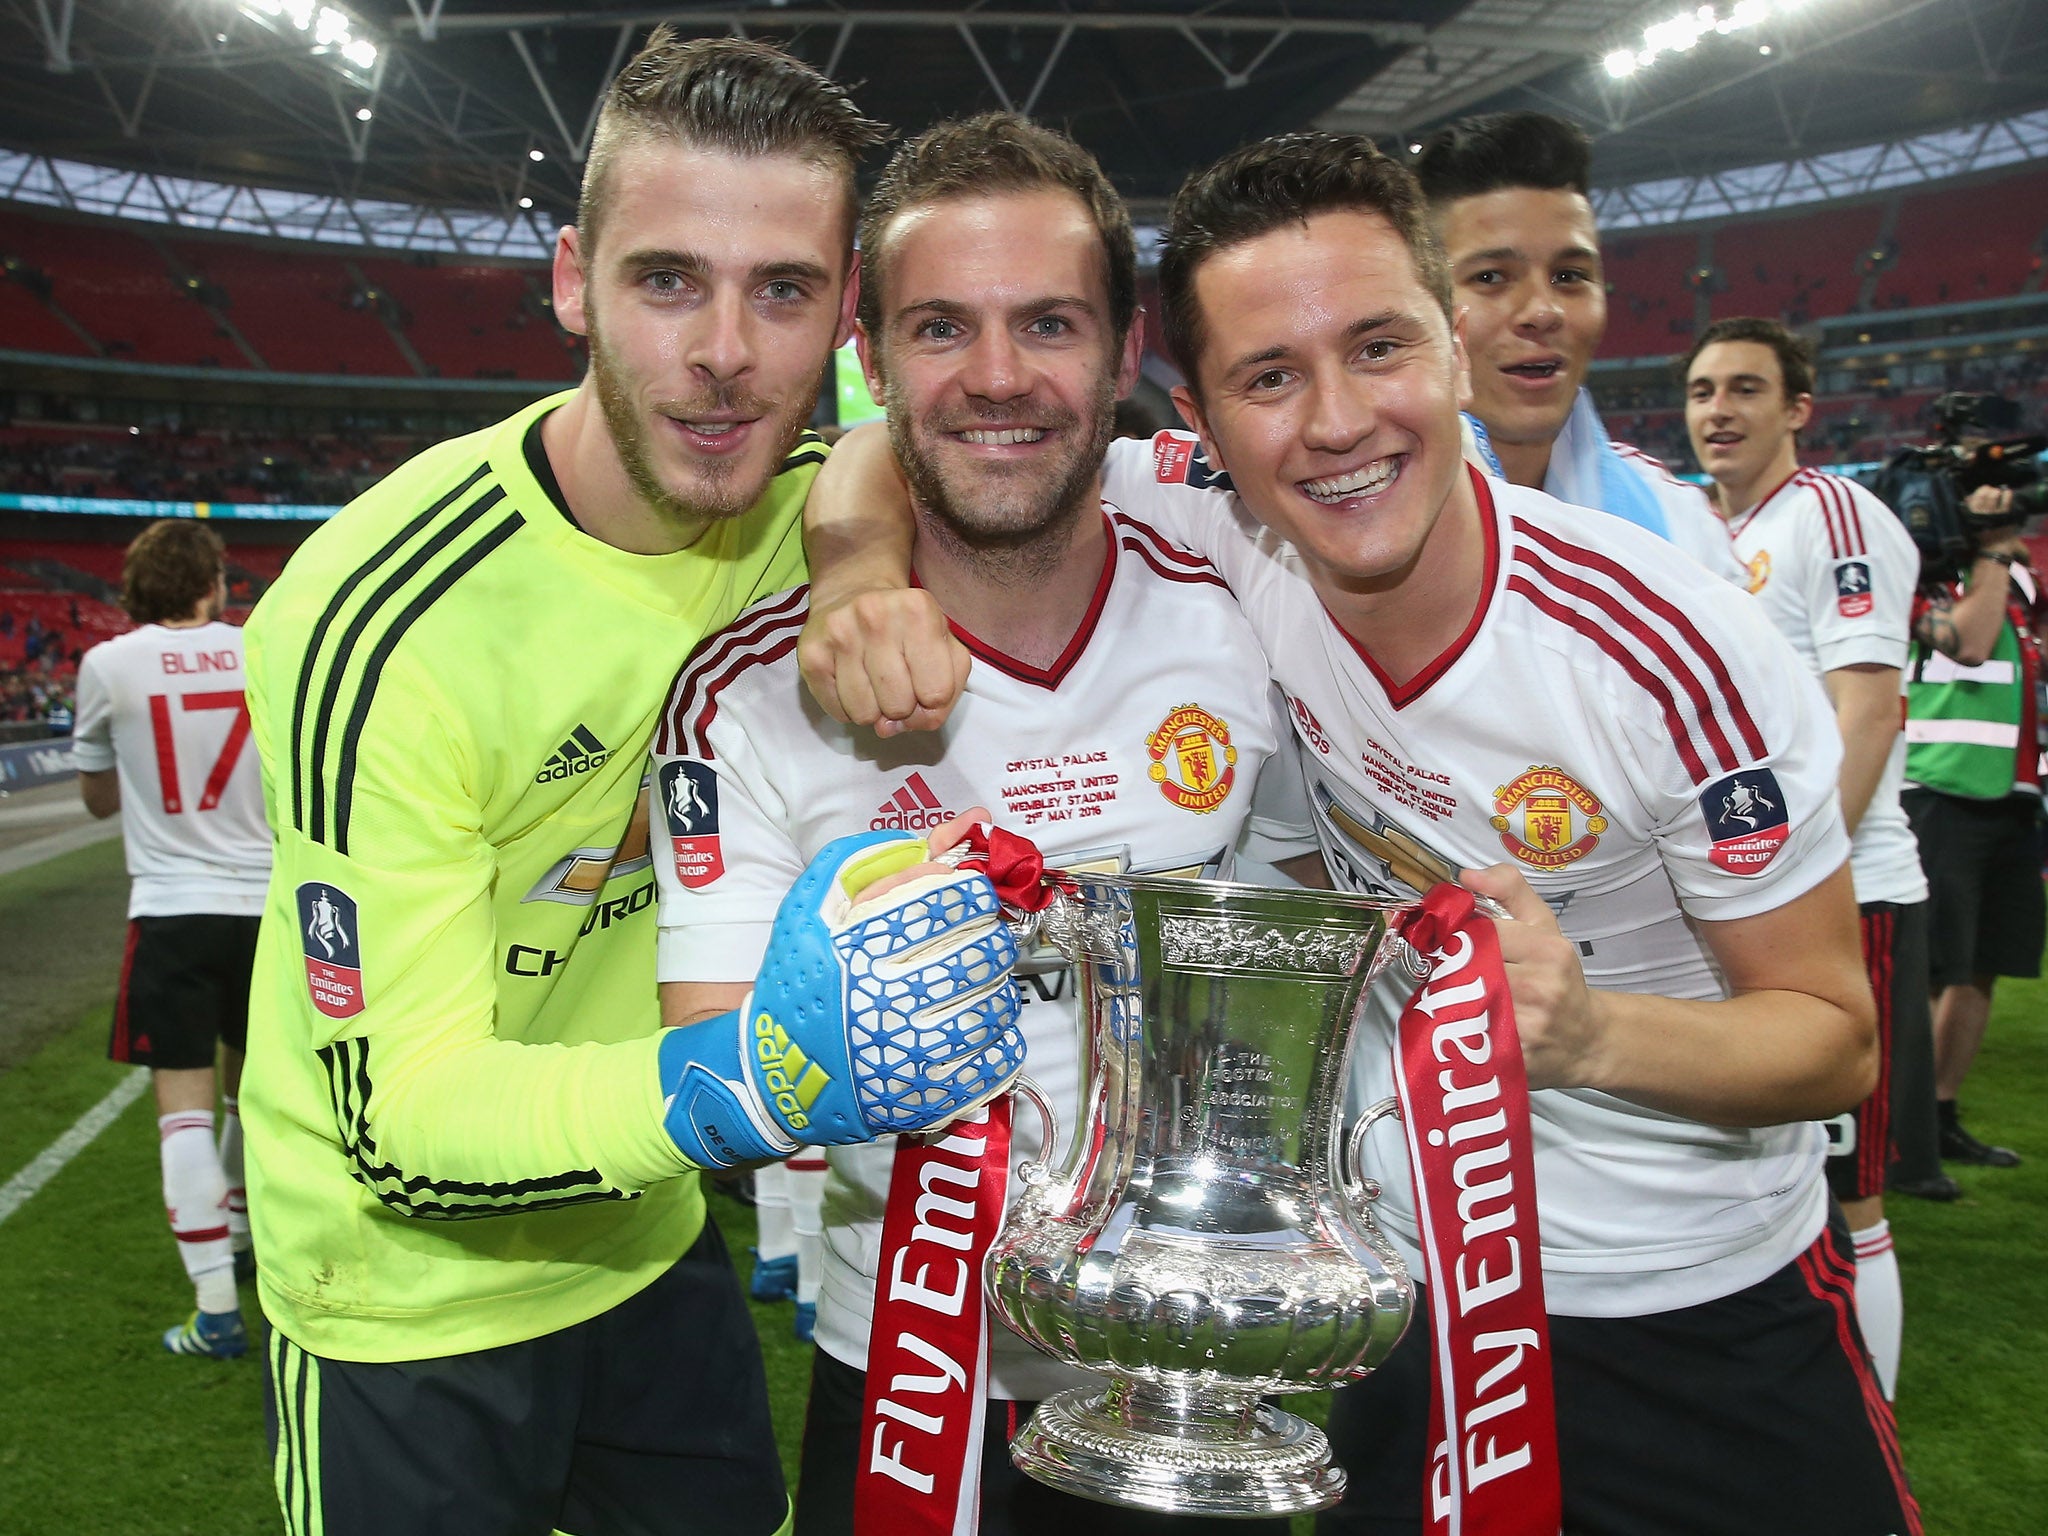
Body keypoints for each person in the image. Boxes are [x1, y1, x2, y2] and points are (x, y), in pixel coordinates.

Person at [798, 133, 1918, 1536]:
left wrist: (1590, 1038)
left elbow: (1833, 1033)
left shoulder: (1662, 644)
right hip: (1398, 1296)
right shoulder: (1230, 542)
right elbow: (931, 432)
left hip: (1686, 1303)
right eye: (1270, 376)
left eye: (1379, 347)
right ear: (1197, 417)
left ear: (1451, 348)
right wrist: (852, 569)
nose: (1334, 424)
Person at [238, 34, 1026, 1536]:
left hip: (647, 1232)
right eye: (668, 280)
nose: (725, 350)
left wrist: (859, 552)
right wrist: (746, 1083)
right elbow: (399, 1122)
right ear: (569, 281)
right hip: (402, 1301)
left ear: (845, 320)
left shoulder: (816, 509)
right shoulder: (383, 621)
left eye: (781, 290)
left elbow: (962, 460)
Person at [653, 113, 1306, 1536]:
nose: (999, 378)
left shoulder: (1246, 584)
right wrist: (832, 1018)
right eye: (941, 328)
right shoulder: (747, 692)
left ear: (1127, 351)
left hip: (1198, 1372)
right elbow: (707, 1076)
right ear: (871, 362)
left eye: (1050, 324)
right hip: (906, 1378)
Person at [1684, 315, 1935, 1399]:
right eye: (1699, 391)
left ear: (1797, 409)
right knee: (1763, 1183)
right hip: (1748, 901)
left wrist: (1805, 886)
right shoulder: (1698, 529)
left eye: (1744, 389)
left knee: (1847, 1190)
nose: (1717, 412)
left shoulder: (1831, 516)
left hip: (1844, 898)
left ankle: (1863, 1428)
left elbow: (1867, 711)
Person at [72, 519, 268, 1359]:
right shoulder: (265, 648)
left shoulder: (105, 665)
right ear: (214, 582)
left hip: (172, 908)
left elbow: (97, 800)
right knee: (253, 1097)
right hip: (271, 905)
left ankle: (217, 1311)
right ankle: (246, 1232)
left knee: (181, 1115)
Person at [1413, 111, 1743, 583]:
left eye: (1569, 276)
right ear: (1420, 300)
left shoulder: (1685, 533)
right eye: (1490, 278)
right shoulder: (1346, 534)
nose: (1543, 311)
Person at [1903, 469, 2045, 1170]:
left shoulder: (2015, 581)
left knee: (1983, 967)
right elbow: (1971, 643)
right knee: (1930, 970)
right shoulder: (1914, 581)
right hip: (1938, 791)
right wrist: (1992, 552)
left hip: (2011, 796)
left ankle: (1940, 1113)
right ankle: (1900, 1129)